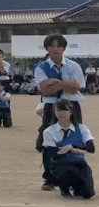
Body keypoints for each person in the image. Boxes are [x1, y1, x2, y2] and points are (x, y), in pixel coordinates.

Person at [33, 34, 85, 191]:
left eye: (59, 46)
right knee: (50, 140)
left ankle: (74, 177)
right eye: (52, 45)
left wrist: (54, 82)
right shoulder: (41, 68)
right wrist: (65, 84)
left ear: (64, 48)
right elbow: (43, 89)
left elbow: (77, 87)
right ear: (47, 48)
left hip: (71, 105)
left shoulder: (73, 66)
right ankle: (49, 178)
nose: (55, 49)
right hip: (51, 106)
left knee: (74, 139)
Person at [41, 99, 94, 199]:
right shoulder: (49, 131)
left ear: (71, 111)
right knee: (64, 170)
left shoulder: (82, 129)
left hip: (79, 164)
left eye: (65, 110)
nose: (62, 114)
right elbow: (54, 154)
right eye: (58, 110)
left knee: (87, 194)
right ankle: (63, 188)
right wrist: (79, 149)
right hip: (60, 165)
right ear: (54, 112)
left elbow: (91, 148)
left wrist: (71, 147)